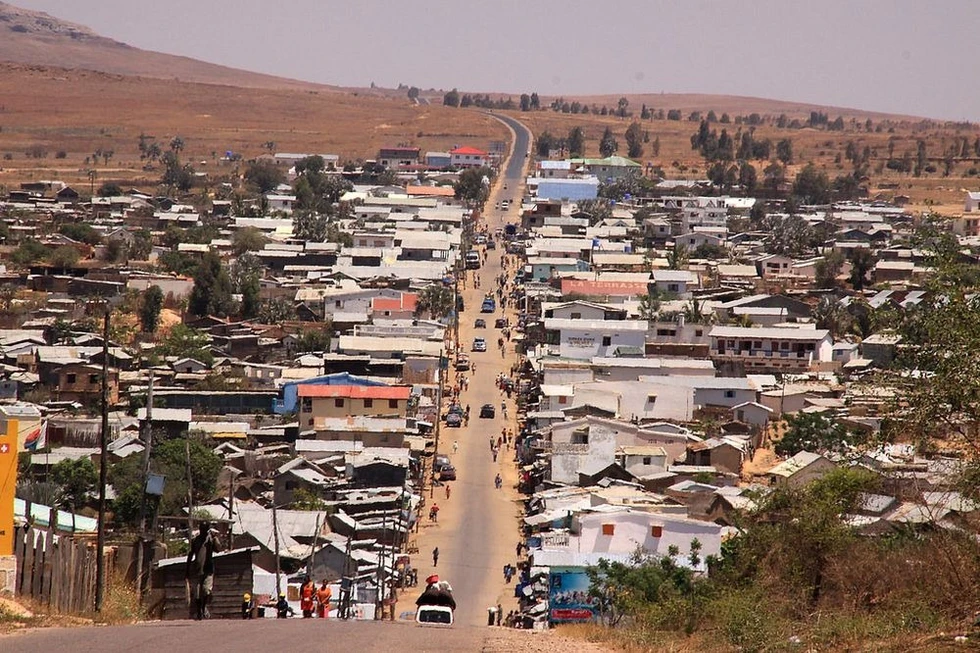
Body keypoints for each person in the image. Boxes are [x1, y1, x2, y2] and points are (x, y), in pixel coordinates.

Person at [185, 521, 222, 620]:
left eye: (205, 530)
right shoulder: (196, 540)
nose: (203, 531)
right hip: (197, 569)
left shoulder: (211, 539)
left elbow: (218, 549)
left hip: (208, 569)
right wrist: (187, 569)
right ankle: (199, 612)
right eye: (202, 529)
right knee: (197, 593)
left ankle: (202, 607)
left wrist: (215, 538)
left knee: (206, 590)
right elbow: (190, 554)